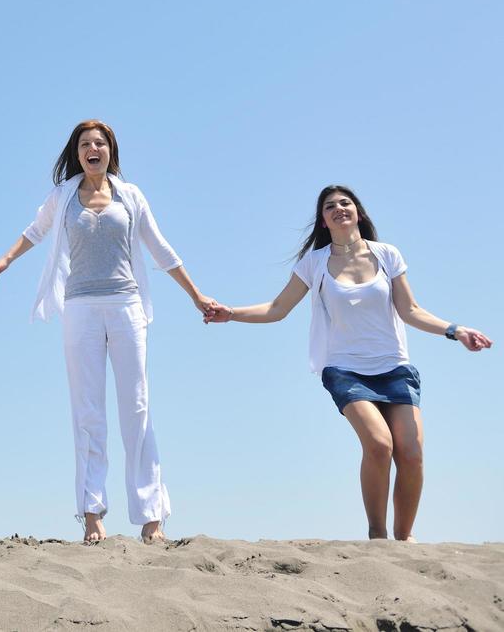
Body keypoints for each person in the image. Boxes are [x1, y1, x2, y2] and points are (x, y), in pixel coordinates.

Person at [202, 184, 492, 540]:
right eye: (329, 206)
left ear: (358, 212)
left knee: (412, 454)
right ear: (323, 221)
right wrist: (230, 313)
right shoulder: (314, 263)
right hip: (344, 368)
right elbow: (277, 309)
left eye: (345, 203)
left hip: (394, 366)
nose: (339, 208)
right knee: (379, 444)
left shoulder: (387, 255)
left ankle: (405, 539)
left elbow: (410, 310)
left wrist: (455, 330)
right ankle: (378, 536)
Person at [0, 119, 213, 545]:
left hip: (126, 305)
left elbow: (161, 249)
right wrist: (0, 263)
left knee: (137, 408)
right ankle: (92, 514)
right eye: (85, 144)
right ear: (76, 153)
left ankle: (152, 518)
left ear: (111, 151)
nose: (93, 149)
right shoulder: (62, 197)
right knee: (87, 412)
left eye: (100, 143)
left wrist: (197, 296)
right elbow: (33, 233)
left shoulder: (130, 196)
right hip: (80, 309)